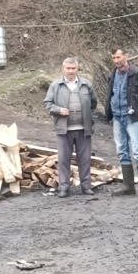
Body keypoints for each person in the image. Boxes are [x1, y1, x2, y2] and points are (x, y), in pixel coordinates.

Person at [43, 57, 99, 197]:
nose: (71, 71)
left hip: (83, 129)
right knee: (63, 159)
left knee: (85, 158)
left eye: (73, 68)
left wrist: (86, 115)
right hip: (64, 129)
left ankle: (86, 186)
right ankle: (64, 187)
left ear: (77, 69)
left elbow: (93, 103)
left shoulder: (86, 84)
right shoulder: (56, 85)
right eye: (68, 68)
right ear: (63, 69)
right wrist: (59, 110)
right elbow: (47, 104)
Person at [103, 48, 138, 198]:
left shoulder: (137, 73)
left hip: (131, 117)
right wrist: (110, 113)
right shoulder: (113, 74)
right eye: (114, 58)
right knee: (121, 150)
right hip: (117, 117)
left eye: (118, 57)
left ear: (126, 56)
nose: (116, 60)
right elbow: (110, 94)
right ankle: (128, 186)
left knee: (137, 150)